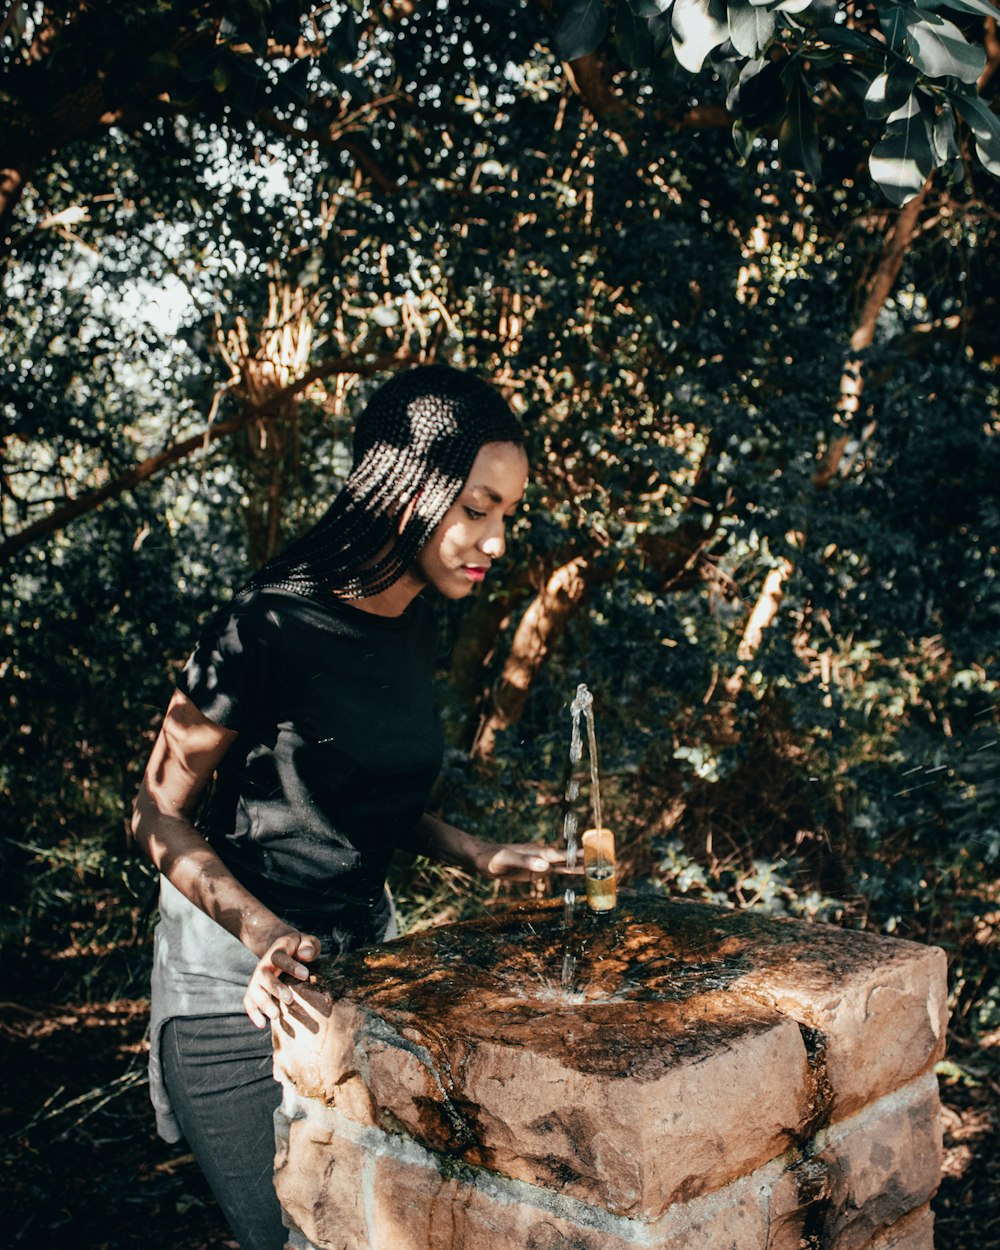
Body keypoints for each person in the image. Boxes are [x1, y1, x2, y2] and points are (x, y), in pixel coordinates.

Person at [132, 364, 565, 1250]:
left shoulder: (410, 618)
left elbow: (346, 789)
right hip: (235, 985)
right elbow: (154, 814)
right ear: (408, 488)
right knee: (297, 1237)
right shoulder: (269, 626)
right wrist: (261, 933)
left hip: (365, 964)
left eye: (507, 516)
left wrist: (476, 853)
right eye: (477, 508)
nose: (495, 540)